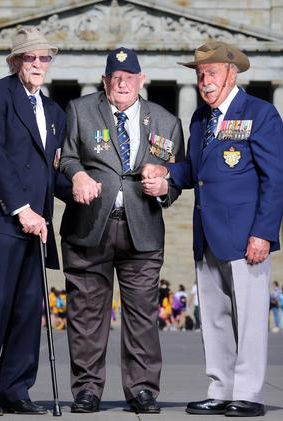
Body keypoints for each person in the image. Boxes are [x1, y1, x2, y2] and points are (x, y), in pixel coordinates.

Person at [141, 41, 283, 417]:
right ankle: (221, 389)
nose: (205, 81)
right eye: (201, 74)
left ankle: (248, 394)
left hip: (245, 235)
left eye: (212, 73)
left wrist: (264, 233)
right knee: (215, 318)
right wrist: (166, 172)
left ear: (231, 74)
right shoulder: (201, 119)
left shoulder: (260, 113)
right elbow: (196, 172)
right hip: (207, 234)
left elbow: (275, 179)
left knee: (250, 320)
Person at [59, 47, 185, 414]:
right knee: (85, 314)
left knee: (143, 314)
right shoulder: (80, 110)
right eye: (115, 78)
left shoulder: (166, 122)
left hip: (142, 230)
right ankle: (86, 389)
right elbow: (66, 156)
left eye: (129, 78)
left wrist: (165, 188)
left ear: (141, 81)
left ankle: (143, 389)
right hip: (89, 227)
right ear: (105, 82)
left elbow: (176, 178)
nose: (122, 84)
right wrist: (77, 173)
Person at [0, 26, 70, 416]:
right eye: (31, 57)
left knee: (29, 307)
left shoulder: (54, 112)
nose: (39, 64)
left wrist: (77, 184)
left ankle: (15, 388)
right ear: (16, 62)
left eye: (45, 58)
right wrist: (21, 208)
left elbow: (48, 171)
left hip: (36, 223)